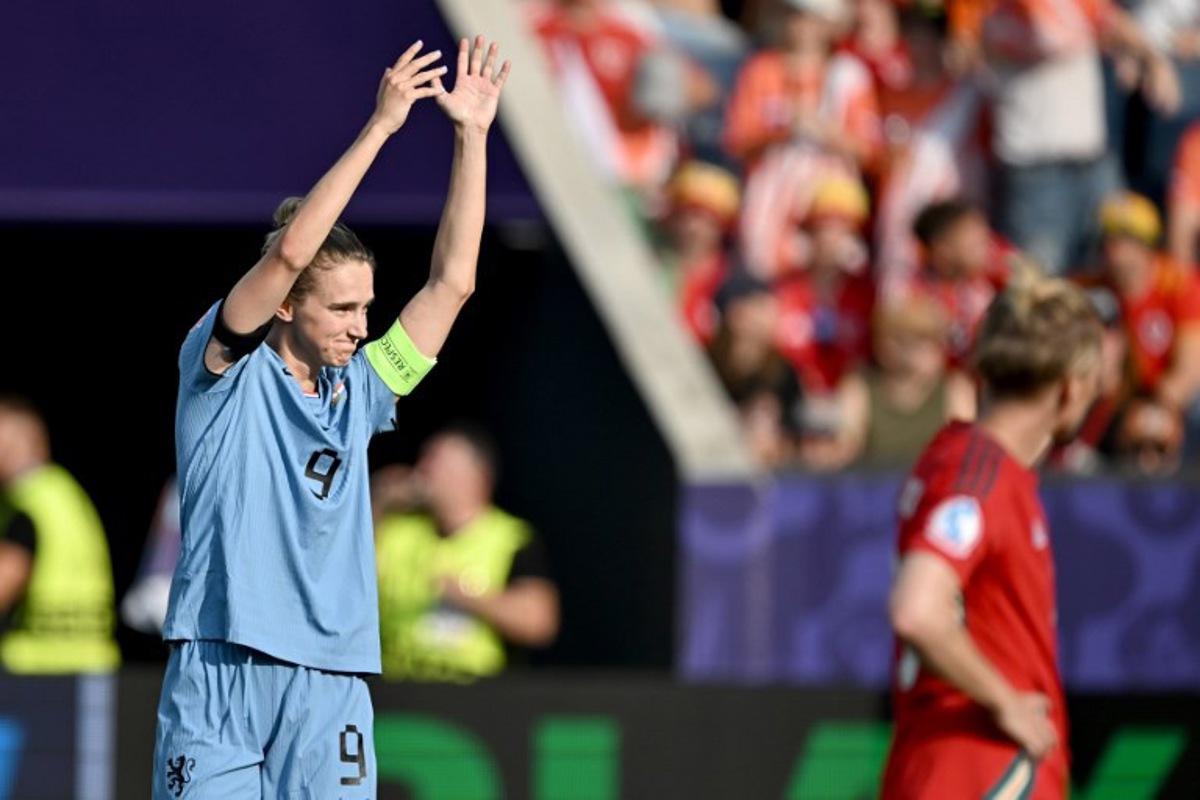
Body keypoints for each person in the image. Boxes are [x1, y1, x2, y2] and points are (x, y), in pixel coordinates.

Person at [152, 36, 510, 799]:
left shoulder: (363, 393)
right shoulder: (221, 372)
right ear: (287, 308)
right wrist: (380, 128)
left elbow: (452, 284)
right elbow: (285, 259)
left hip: (331, 682)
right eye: (342, 308)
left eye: (367, 308)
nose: (360, 325)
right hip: (221, 671)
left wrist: (472, 137)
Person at [880, 277, 1103, 798]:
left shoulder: (962, 458)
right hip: (979, 767)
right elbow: (917, 608)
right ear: (1071, 387)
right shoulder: (980, 476)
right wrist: (1004, 700)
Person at [373, 427, 559, 681]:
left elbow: (539, 621)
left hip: (473, 694)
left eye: (438, 462)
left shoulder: (510, 538)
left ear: (476, 476)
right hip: (398, 687)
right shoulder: (397, 531)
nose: (423, 471)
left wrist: (470, 598)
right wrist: (380, 500)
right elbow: (343, 580)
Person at [0, 397, 119, 674]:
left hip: (36, 670)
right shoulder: (67, 495)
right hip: (92, 662)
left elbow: (6, 579)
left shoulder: (26, 505)